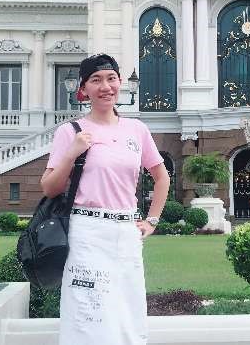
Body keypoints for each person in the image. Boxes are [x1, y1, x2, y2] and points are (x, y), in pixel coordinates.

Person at [41, 53, 169, 345]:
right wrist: (72, 153)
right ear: (83, 89)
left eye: (111, 79)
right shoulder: (70, 132)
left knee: (128, 309)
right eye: (96, 80)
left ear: (120, 82)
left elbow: (162, 177)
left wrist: (152, 220)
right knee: (88, 311)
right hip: (86, 232)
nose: (105, 86)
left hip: (125, 231)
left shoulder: (136, 130)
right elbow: (49, 188)